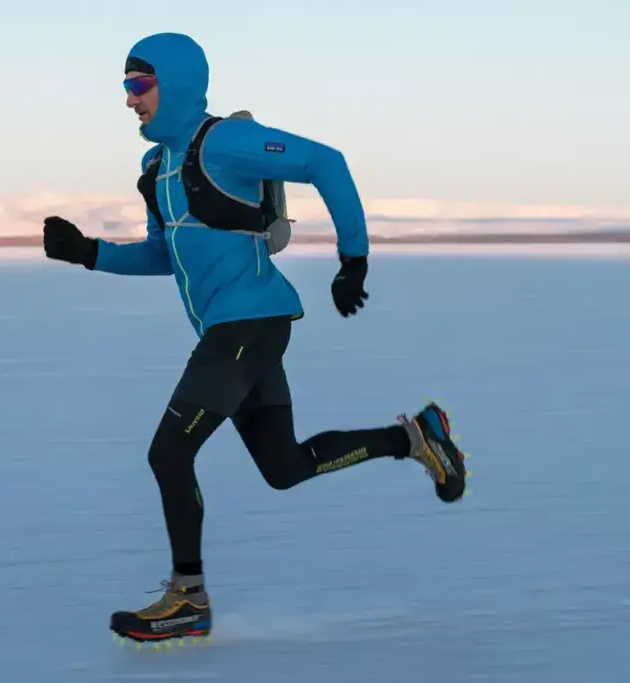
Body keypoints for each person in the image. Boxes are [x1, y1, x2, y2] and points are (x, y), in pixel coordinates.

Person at [42, 31, 467, 644]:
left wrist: (354, 260)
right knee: (283, 467)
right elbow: (167, 254)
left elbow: (327, 161)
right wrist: (89, 253)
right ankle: (415, 439)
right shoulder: (157, 168)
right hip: (237, 331)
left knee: (169, 453)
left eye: (140, 85)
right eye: (126, 87)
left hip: (248, 328)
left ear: (177, 83)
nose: (130, 101)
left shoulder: (228, 142)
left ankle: (188, 598)